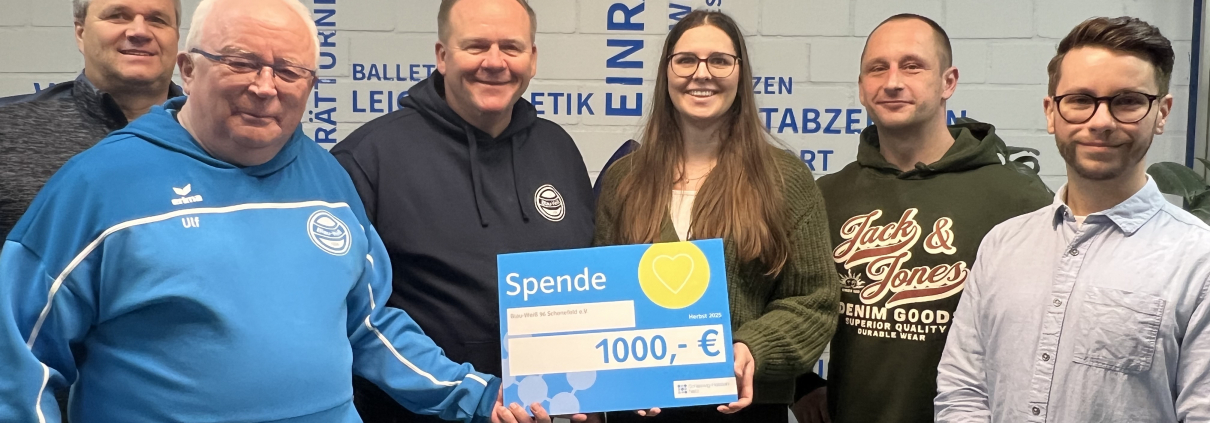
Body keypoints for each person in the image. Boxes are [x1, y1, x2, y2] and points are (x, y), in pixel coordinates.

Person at [0, 0, 506, 421]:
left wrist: (479, 395)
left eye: (288, 71)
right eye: (240, 62)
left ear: (309, 84)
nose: (265, 87)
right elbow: (20, 362)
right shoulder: (98, 183)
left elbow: (369, 325)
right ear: (188, 69)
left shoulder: (328, 179)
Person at [330, 0, 595, 421]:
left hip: (549, 410)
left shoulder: (558, 148)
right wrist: (477, 396)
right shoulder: (368, 159)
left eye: (511, 47)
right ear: (442, 56)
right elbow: (356, 317)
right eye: (476, 46)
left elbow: (590, 284)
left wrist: (612, 384)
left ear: (532, 58)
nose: (495, 62)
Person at [936, 16, 1210, 422]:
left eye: (1128, 101)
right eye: (1081, 100)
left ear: (1161, 112)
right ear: (1051, 112)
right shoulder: (1002, 245)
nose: (1101, 122)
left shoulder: (1198, 260)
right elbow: (963, 390)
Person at [791, 14, 1053, 423]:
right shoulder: (827, 195)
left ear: (948, 82)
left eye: (912, 66)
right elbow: (778, 298)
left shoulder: (1017, 198)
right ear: (861, 87)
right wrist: (801, 384)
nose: (893, 81)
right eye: (878, 68)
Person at [592, 10, 838, 423]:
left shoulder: (784, 179)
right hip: (641, 408)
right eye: (686, 60)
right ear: (666, 72)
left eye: (719, 61)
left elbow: (815, 301)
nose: (701, 73)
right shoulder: (624, 180)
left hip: (745, 409)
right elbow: (603, 296)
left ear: (740, 72)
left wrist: (751, 347)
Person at [0, 0, 184, 239]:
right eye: (118, 16)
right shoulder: (7, 126)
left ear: (176, 37)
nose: (140, 31)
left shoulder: (216, 134)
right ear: (81, 32)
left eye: (157, 20)